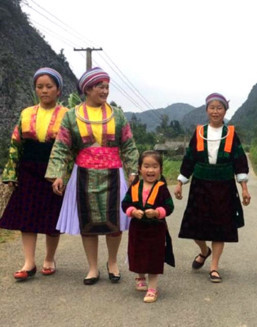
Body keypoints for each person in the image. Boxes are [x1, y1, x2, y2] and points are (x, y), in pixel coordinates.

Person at [45, 67, 139, 285]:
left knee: (113, 221)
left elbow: (128, 145)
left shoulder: (117, 115)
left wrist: (133, 171)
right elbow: (62, 148)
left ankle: (112, 262)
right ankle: (92, 268)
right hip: (83, 175)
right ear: (87, 89)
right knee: (88, 221)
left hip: (114, 173)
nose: (105, 91)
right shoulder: (71, 115)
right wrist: (58, 175)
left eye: (107, 87)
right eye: (100, 87)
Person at [174, 93, 251, 283]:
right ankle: (203, 250)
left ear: (225, 110)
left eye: (219, 108)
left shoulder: (231, 134)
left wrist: (244, 188)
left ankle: (214, 267)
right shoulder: (199, 132)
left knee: (221, 227)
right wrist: (180, 183)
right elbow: (189, 158)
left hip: (224, 187)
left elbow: (240, 162)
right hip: (200, 185)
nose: (215, 111)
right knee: (194, 225)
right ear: (206, 109)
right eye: (212, 107)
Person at [0, 67, 68, 280]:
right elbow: (15, 144)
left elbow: (70, 148)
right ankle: (29, 262)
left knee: (52, 216)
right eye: (40, 87)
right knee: (26, 216)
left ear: (58, 90)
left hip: (53, 170)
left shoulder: (67, 116)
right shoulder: (26, 113)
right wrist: (11, 173)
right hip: (29, 168)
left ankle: (49, 258)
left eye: (49, 86)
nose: (44, 91)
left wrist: (62, 174)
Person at [122, 150, 175, 303]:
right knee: (137, 252)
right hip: (137, 228)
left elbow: (169, 207)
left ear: (160, 169)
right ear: (139, 168)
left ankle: (152, 288)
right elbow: (125, 204)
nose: (150, 170)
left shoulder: (162, 188)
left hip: (156, 229)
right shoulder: (134, 186)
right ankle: (140, 276)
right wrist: (132, 211)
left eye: (155, 166)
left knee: (154, 256)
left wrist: (158, 212)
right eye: (146, 166)